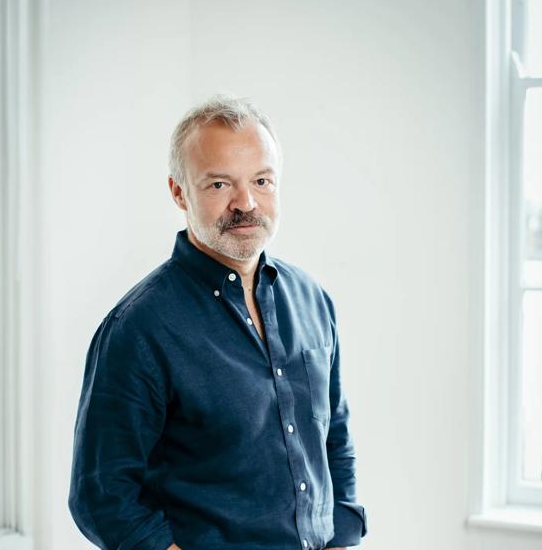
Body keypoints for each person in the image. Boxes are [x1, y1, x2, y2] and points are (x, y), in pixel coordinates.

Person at [68, 95, 367, 550]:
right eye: (219, 185)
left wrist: (342, 538)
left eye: (262, 180)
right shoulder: (139, 328)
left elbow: (334, 438)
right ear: (178, 191)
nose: (245, 202)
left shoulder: (312, 300)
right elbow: (101, 494)